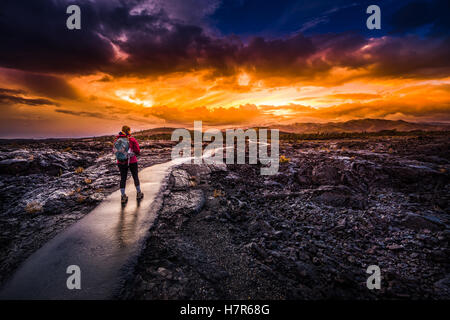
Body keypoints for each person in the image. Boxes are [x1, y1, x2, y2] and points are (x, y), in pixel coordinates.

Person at [114, 125, 144, 203]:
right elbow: (137, 150)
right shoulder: (132, 139)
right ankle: (138, 193)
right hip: (132, 161)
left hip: (120, 162)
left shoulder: (116, 140)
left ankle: (123, 197)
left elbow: (114, 151)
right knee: (135, 176)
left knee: (123, 178)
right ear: (128, 131)